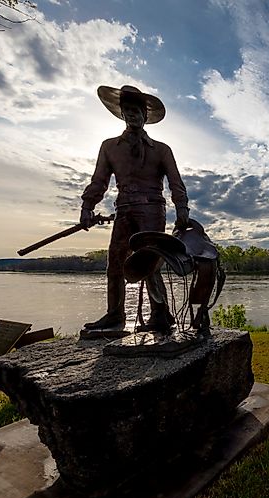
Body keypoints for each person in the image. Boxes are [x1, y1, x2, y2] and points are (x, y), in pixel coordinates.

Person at [79, 85, 190, 332]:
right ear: (121, 113)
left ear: (144, 115)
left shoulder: (161, 149)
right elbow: (99, 181)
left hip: (152, 210)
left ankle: (160, 314)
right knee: (115, 262)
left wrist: (182, 208)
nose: (132, 115)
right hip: (124, 210)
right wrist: (88, 206)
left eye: (137, 110)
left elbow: (175, 181)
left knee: (148, 263)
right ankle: (115, 315)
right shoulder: (109, 147)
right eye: (127, 110)